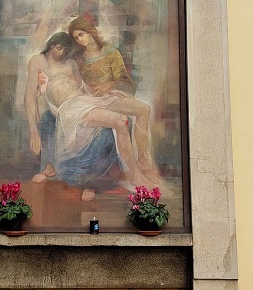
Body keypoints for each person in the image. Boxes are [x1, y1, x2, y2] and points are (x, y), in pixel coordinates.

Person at [24, 32, 155, 200]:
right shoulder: (37, 61)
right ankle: (134, 175)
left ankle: (135, 172)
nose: (62, 52)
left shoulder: (70, 63)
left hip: (84, 100)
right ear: (51, 45)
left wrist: (107, 91)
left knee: (126, 118)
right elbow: (29, 97)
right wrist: (34, 132)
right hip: (70, 109)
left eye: (66, 49)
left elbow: (84, 86)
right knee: (120, 121)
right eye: (59, 48)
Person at [67, 17, 158, 175]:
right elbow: (74, 81)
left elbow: (123, 79)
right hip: (90, 100)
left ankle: (142, 158)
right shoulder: (77, 58)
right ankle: (136, 167)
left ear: (90, 32)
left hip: (109, 96)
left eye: (81, 34)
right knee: (131, 114)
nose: (80, 40)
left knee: (144, 109)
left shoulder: (111, 52)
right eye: (76, 37)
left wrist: (109, 86)